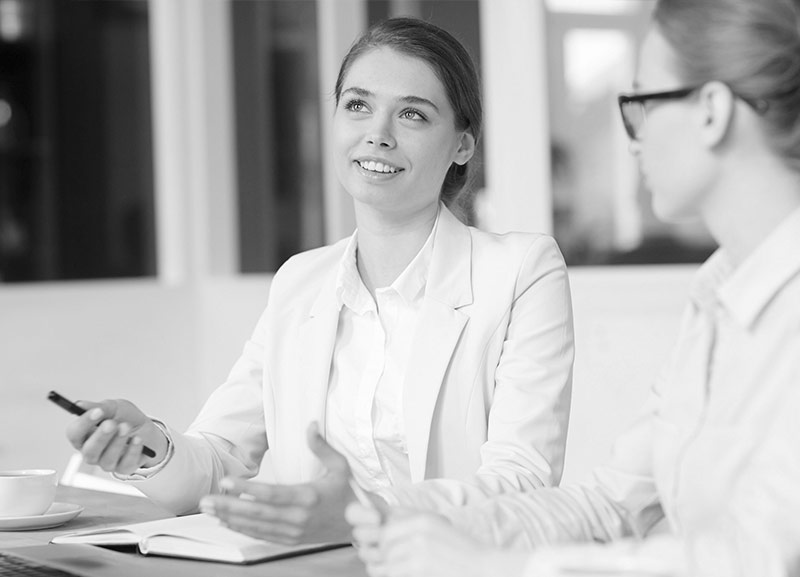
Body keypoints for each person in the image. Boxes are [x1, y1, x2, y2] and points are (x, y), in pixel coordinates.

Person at [64, 17, 574, 545]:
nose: (378, 133)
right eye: (358, 105)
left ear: (462, 146)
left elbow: (524, 481)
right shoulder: (301, 281)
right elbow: (221, 462)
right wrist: (147, 445)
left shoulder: (519, 270)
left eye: (413, 115)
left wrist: (360, 513)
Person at [347, 0, 800, 574]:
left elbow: (760, 561)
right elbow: (610, 506)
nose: (630, 138)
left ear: (711, 111)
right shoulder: (718, 292)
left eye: (640, 103)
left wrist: (490, 567)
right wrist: (412, 520)